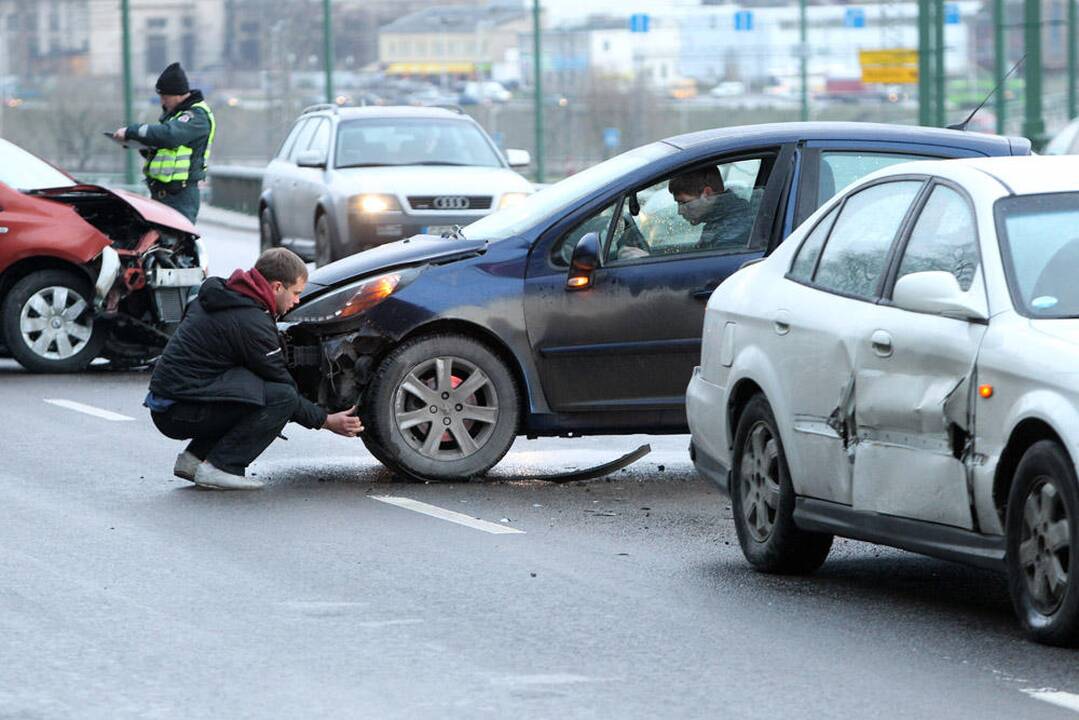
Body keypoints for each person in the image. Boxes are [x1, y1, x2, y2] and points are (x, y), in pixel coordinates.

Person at [145, 248, 363, 490]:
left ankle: (194, 459)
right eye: (296, 293)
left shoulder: (226, 295)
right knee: (281, 398)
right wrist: (325, 420)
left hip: (172, 401)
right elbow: (282, 387)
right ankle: (221, 467)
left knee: (253, 388)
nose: (297, 301)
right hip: (178, 410)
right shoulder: (251, 320)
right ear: (277, 287)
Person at [113, 62, 214, 224]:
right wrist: (140, 145)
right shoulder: (176, 116)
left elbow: (169, 135)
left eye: (165, 97)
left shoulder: (196, 116)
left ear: (178, 94)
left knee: (175, 243)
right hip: (163, 193)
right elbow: (166, 149)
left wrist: (132, 132)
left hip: (180, 195)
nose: (162, 102)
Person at [668, 166, 755, 252]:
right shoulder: (719, 220)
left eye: (684, 203)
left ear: (708, 194)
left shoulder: (732, 232)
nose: (680, 211)